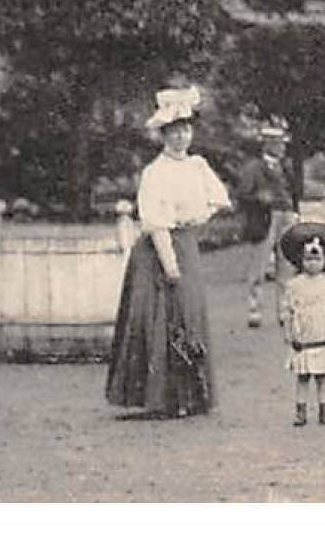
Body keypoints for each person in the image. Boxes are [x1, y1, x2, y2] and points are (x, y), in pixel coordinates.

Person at [106, 84, 231, 417]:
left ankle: (191, 395)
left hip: (185, 242)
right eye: (173, 132)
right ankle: (161, 397)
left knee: (189, 314)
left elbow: (218, 199)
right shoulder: (154, 173)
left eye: (185, 130)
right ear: (162, 135)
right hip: (157, 252)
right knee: (161, 317)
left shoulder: (197, 166)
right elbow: (156, 222)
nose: (181, 137)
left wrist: (196, 216)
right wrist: (170, 265)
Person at [277, 221, 325, 427]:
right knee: (302, 377)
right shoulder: (294, 286)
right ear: (301, 261)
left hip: (322, 336)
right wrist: (289, 334)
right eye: (308, 259)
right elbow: (287, 311)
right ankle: (300, 411)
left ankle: (324, 409)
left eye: (317, 259)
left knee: (322, 378)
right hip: (303, 338)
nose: (312, 263)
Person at [235, 118, 300, 328]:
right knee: (259, 265)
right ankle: (254, 309)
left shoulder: (286, 167)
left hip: (286, 216)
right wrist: (259, 198)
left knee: (286, 264)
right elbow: (243, 195)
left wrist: (295, 211)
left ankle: (284, 309)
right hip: (265, 218)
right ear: (268, 144)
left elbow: (295, 191)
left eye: (283, 144)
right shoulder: (253, 168)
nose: (282, 148)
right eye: (278, 143)